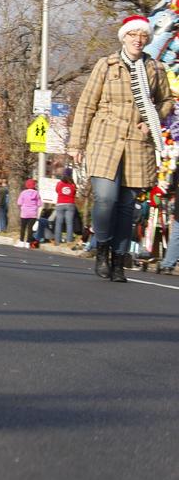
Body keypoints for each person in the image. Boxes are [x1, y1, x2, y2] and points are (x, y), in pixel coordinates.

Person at [68, 14, 173, 283]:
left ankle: (119, 259)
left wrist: (152, 122)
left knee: (127, 206)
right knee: (106, 198)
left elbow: (166, 102)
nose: (138, 40)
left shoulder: (155, 69)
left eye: (143, 36)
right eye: (133, 35)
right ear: (123, 37)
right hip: (105, 139)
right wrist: (76, 144)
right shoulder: (107, 65)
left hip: (137, 145)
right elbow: (87, 105)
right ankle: (102, 247)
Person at [53, 168, 77, 246]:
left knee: (59, 223)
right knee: (69, 223)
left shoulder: (59, 183)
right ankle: (69, 241)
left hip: (60, 204)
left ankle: (57, 241)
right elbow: (74, 193)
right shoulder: (72, 184)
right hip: (70, 204)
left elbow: (56, 191)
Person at [16, 179, 42, 248]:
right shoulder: (36, 193)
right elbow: (39, 204)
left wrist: (22, 207)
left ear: (26, 185)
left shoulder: (23, 193)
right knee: (30, 228)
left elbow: (19, 203)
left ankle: (21, 242)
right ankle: (28, 243)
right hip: (33, 213)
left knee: (23, 227)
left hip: (24, 213)